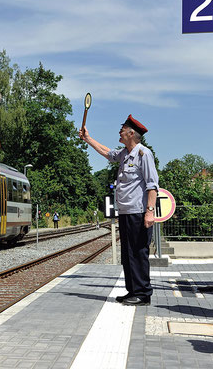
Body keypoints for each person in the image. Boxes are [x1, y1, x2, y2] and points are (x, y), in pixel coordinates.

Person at [79, 114, 159, 306]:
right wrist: (87, 138)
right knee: (128, 253)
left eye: (122, 129)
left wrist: (150, 211)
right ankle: (132, 290)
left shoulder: (143, 154)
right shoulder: (124, 154)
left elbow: (152, 185)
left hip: (138, 212)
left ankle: (143, 292)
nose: (119, 131)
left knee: (138, 252)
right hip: (125, 211)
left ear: (131, 133)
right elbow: (107, 152)